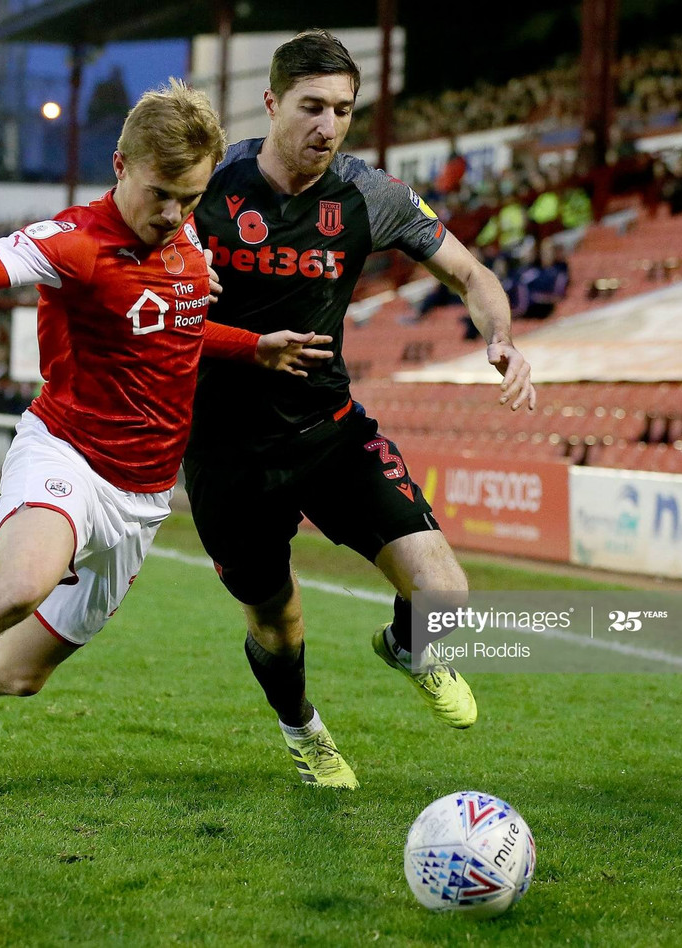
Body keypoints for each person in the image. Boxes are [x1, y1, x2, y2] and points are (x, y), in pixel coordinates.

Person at [0, 80, 333, 816]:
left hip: (142, 499)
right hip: (67, 455)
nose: (174, 214)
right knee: (20, 585)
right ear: (120, 165)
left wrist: (251, 346)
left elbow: (173, 330)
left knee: (17, 675)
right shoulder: (74, 243)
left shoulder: (187, 244)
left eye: (191, 196)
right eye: (160, 193)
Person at [187, 30, 535, 789]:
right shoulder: (208, 185)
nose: (328, 127)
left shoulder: (367, 193)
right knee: (277, 624)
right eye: (312, 107)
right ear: (272, 103)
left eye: (343, 110)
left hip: (329, 431)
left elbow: (471, 273)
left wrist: (502, 339)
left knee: (444, 593)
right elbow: (133, 272)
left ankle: (411, 647)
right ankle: (302, 729)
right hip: (226, 451)